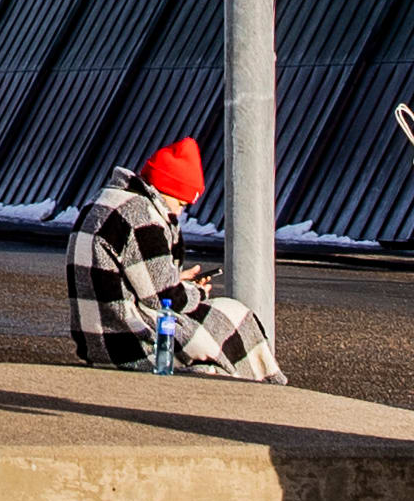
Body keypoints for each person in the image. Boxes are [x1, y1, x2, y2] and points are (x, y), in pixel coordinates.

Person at [67, 136, 282, 381]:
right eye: (180, 202)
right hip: (129, 343)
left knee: (219, 322)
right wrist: (195, 291)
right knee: (233, 314)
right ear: (165, 187)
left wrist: (176, 279)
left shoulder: (106, 201)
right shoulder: (141, 217)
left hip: (94, 338)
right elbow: (165, 298)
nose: (179, 211)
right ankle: (267, 383)